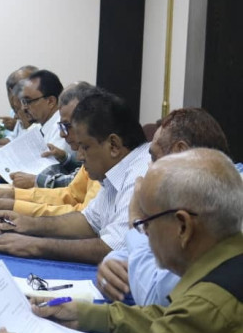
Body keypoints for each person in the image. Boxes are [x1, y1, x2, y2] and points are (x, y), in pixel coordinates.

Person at [0, 148, 243, 333]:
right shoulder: (225, 266)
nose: (144, 233)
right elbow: (166, 317)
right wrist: (86, 314)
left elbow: (189, 318)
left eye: (145, 223)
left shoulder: (209, 308)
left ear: (183, 227)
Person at [0, 92, 150, 264]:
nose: (79, 156)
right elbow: (88, 222)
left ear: (113, 145)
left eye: (85, 147)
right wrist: (28, 224)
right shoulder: (115, 170)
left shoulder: (140, 174)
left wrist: (34, 246)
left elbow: (113, 249)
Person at [97, 108, 231, 305]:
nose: (148, 169)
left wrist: (136, 220)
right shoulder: (196, 192)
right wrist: (111, 263)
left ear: (179, 152)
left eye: (153, 158)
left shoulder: (214, 205)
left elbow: (156, 297)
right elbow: (151, 253)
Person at [0, 83, 102, 216]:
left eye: (28, 101)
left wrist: (15, 205)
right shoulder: (91, 151)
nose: (23, 107)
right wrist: (15, 195)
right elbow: (71, 194)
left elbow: (84, 217)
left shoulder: (102, 158)